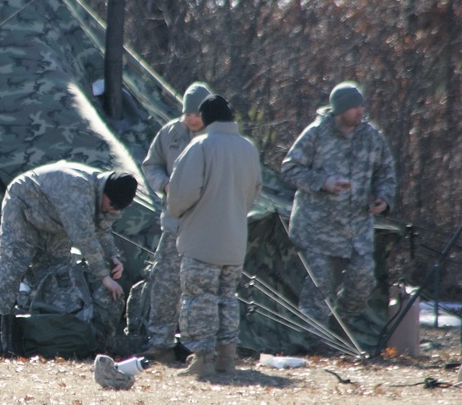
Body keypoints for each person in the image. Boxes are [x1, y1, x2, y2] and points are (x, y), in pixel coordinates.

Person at [0, 161, 138, 358]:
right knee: (10, 272)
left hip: (55, 224)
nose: (112, 210)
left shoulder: (108, 198)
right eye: (112, 205)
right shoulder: (78, 190)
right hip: (23, 209)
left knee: (56, 278)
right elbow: (85, 237)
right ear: (105, 191)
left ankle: (44, 340)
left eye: (118, 209)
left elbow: (103, 228)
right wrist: (104, 276)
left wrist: (113, 256)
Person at [280, 81, 397, 340]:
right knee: (318, 287)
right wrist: (323, 183)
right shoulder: (316, 134)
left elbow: (386, 173)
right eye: (354, 106)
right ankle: (312, 342)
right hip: (318, 228)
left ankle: (338, 327)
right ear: (340, 109)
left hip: (357, 229)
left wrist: (384, 199)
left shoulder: (371, 137)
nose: (360, 110)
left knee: (363, 281)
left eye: (362, 105)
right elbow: (289, 168)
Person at [167, 95, 262, 376]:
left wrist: (178, 212)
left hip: (201, 240)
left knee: (199, 299)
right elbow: (254, 191)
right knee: (227, 298)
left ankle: (202, 359)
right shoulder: (248, 148)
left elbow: (181, 194)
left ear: (206, 119)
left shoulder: (201, 146)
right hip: (235, 240)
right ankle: (227, 358)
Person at [140, 81, 212, 364]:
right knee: (165, 282)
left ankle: (199, 346)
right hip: (173, 222)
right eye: (188, 114)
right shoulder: (170, 132)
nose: (192, 119)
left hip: (205, 225)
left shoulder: (216, 138)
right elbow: (151, 165)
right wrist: (165, 185)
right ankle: (160, 342)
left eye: (197, 114)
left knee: (200, 286)